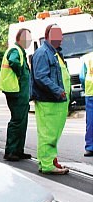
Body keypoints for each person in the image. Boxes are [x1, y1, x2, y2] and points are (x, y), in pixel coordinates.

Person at [31, 24, 70, 174]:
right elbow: (41, 77)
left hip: (56, 100)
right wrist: (59, 91)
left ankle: (48, 160)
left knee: (51, 133)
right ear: (48, 36)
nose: (61, 38)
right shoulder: (43, 53)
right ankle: (48, 165)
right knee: (49, 133)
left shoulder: (53, 52)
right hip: (50, 100)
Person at [0, 28, 32, 161]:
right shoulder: (15, 50)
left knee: (22, 121)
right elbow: (13, 62)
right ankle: (11, 151)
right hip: (15, 91)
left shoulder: (20, 51)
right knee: (17, 121)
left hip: (20, 92)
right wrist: (19, 74)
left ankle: (19, 150)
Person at [80, 51, 93, 157]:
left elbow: (82, 77)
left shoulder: (87, 57)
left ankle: (90, 147)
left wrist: (85, 88)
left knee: (91, 122)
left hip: (90, 93)